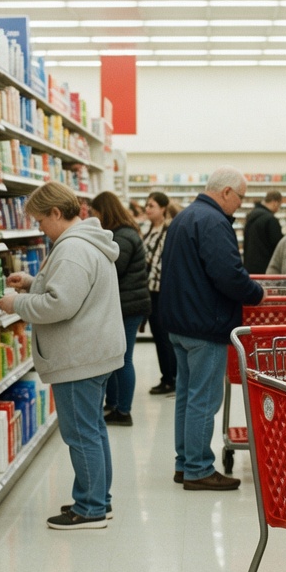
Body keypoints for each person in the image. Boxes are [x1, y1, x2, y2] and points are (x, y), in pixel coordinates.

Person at [0, 183, 126, 530]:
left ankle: (90, 509)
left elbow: (60, 304)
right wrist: (32, 283)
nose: (40, 228)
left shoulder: (72, 249)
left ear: (56, 213)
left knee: (81, 434)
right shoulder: (86, 242)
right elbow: (68, 290)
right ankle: (99, 499)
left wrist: (17, 304)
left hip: (77, 357)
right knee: (93, 430)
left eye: (41, 221)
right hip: (93, 351)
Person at [161, 167, 265, 491]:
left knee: (187, 397)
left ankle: (184, 463)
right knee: (205, 399)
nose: (241, 205)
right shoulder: (215, 222)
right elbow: (228, 274)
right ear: (226, 193)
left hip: (179, 322)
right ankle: (198, 468)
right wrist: (256, 293)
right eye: (241, 199)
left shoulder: (184, 217)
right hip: (206, 324)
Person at [88, 191, 151, 427]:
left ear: (105, 211)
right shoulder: (122, 233)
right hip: (126, 304)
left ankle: (124, 411)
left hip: (129, 306)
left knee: (124, 359)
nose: (96, 219)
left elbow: (116, 267)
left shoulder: (123, 236)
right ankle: (113, 405)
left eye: (96, 214)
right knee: (116, 358)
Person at [142, 193, 177, 395]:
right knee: (158, 334)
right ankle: (167, 376)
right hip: (150, 290)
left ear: (163, 208)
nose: (147, 209)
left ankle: (171, 378)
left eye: (152, 206)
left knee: (164, 336)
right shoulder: (150, 230)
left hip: (162, 291)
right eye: (146, 205)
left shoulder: (168, 230)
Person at [241, 190, 283, 274]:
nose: (278, 209)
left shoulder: (251, 215)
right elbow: (278, 245)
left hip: (249, 266)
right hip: (265, 268)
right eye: (279, 206)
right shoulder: (271, 220)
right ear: (275, 202)